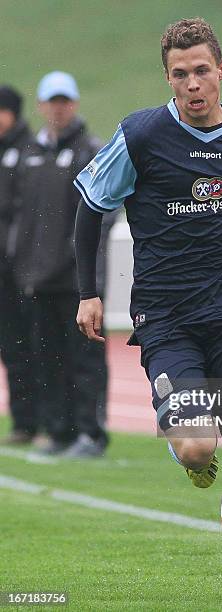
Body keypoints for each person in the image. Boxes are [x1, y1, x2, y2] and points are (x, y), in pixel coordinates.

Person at [74, 18, 222, 601]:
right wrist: (89, 290)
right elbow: (90, 208)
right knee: (198, 444)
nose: (192, 84)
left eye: (202, 71)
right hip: (165, 317)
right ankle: (194, 461)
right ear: (168, 78)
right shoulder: (141, 136)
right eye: (180, 75)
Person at [11, 72, 116, 457]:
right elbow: (21, 215)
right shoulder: (30, 155)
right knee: (47, 358)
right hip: (37, 277)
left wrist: (84, 261)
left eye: (64, 101)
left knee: (84, 360)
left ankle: (91, 433)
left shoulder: (91, 150)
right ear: (41, 105)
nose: (58, 108)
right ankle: (60, 432)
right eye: (51, 101)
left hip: (77, 281)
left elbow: (104, 213)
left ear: (74, 104)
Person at [0, 85, 37, 444]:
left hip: (23, 269)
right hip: (3, 270)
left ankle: (39, 422)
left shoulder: (28, 152)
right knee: (11, 348)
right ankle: (23, 421)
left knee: (32, 347)